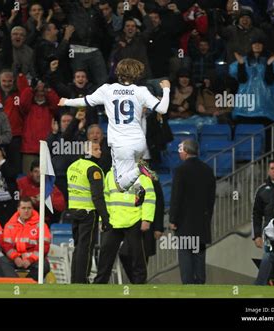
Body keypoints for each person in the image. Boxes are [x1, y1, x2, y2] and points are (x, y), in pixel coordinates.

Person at [59, 58, 171, 196]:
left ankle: (140, 170)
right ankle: (138, 189)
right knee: (129, 173)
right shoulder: (141, 91)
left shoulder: (108, 90)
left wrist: (66, 101)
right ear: (136, 74)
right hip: (138, 142)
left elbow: (85, 100)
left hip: (120, 143)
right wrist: (166, 89)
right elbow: (163, 108)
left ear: (118, 72)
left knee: (120, 184)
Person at [94, 170, 155, 284]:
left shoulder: (140, 174)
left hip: (134, 219)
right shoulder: (110, 174)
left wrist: (146, 218)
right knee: (106, 253)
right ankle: (99, 284)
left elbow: (149, 197)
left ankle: (140, 283)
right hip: (114, 220)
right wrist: (103, 219)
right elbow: (106, 198)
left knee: (137, 256)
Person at [169, 139, 216, 285]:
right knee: (199, 257)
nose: (180, 153)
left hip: (184, 223)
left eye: (181, 150)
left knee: (186, 257)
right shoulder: (208, 170)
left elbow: (176, 197)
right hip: (202, 222)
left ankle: (188, 287)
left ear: (186, 151)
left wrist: (173, 219)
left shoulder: (180, 170)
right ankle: (200, 286)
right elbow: (211, 199)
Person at [66, 141, 109, 283]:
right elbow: (97, 196)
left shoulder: (72, 166)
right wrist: (105, 217)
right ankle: (82, 280)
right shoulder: (93, 169)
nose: (100, 152)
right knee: (86, 248)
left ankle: (75, 279)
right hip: (88, 212)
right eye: (96, 149)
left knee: (78, 247)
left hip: (73, 210)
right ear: (88, 152)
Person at [1, 197, 52, 281]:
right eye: (23, 208)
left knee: (44, 265)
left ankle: (26, 284)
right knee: (1, 261)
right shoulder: (9, 225)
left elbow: (44, 246)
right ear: (18, 209)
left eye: (29, 208)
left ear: (32, 209)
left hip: (33, 258)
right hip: (16, 258)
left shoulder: (41, 225)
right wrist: (16, 258)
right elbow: (7, 246)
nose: (26, 211)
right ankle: (15, 283)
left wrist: (30, 259)